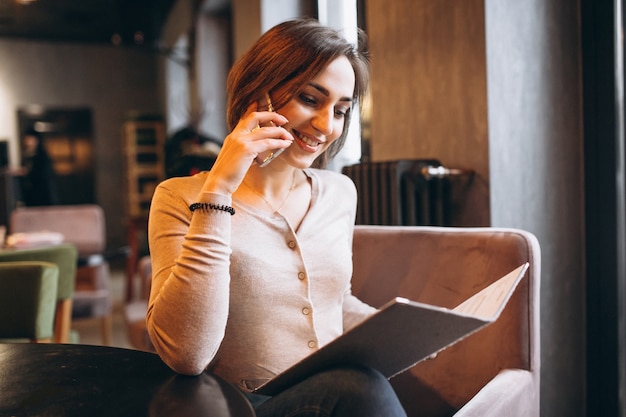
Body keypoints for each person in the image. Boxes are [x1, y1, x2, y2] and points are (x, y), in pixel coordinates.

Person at [146, 18, 407, 417]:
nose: (326, 126)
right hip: (240, 407)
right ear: (258, 93)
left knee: (363, 385)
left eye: (340, 110)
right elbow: (187, 354)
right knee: (363, 388)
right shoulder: (178, 197)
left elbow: (334, 300)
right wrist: (217, 194)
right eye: (309, 98)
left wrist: (408, 331)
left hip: (329, 396)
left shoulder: (339, 193)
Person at [19, 128, 59, 206]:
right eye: (26, 139)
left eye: (30, 139)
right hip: (31, 199)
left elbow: (45, 180)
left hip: (44, 197)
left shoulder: (42, 158)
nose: (28, 142)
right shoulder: (26, 157)